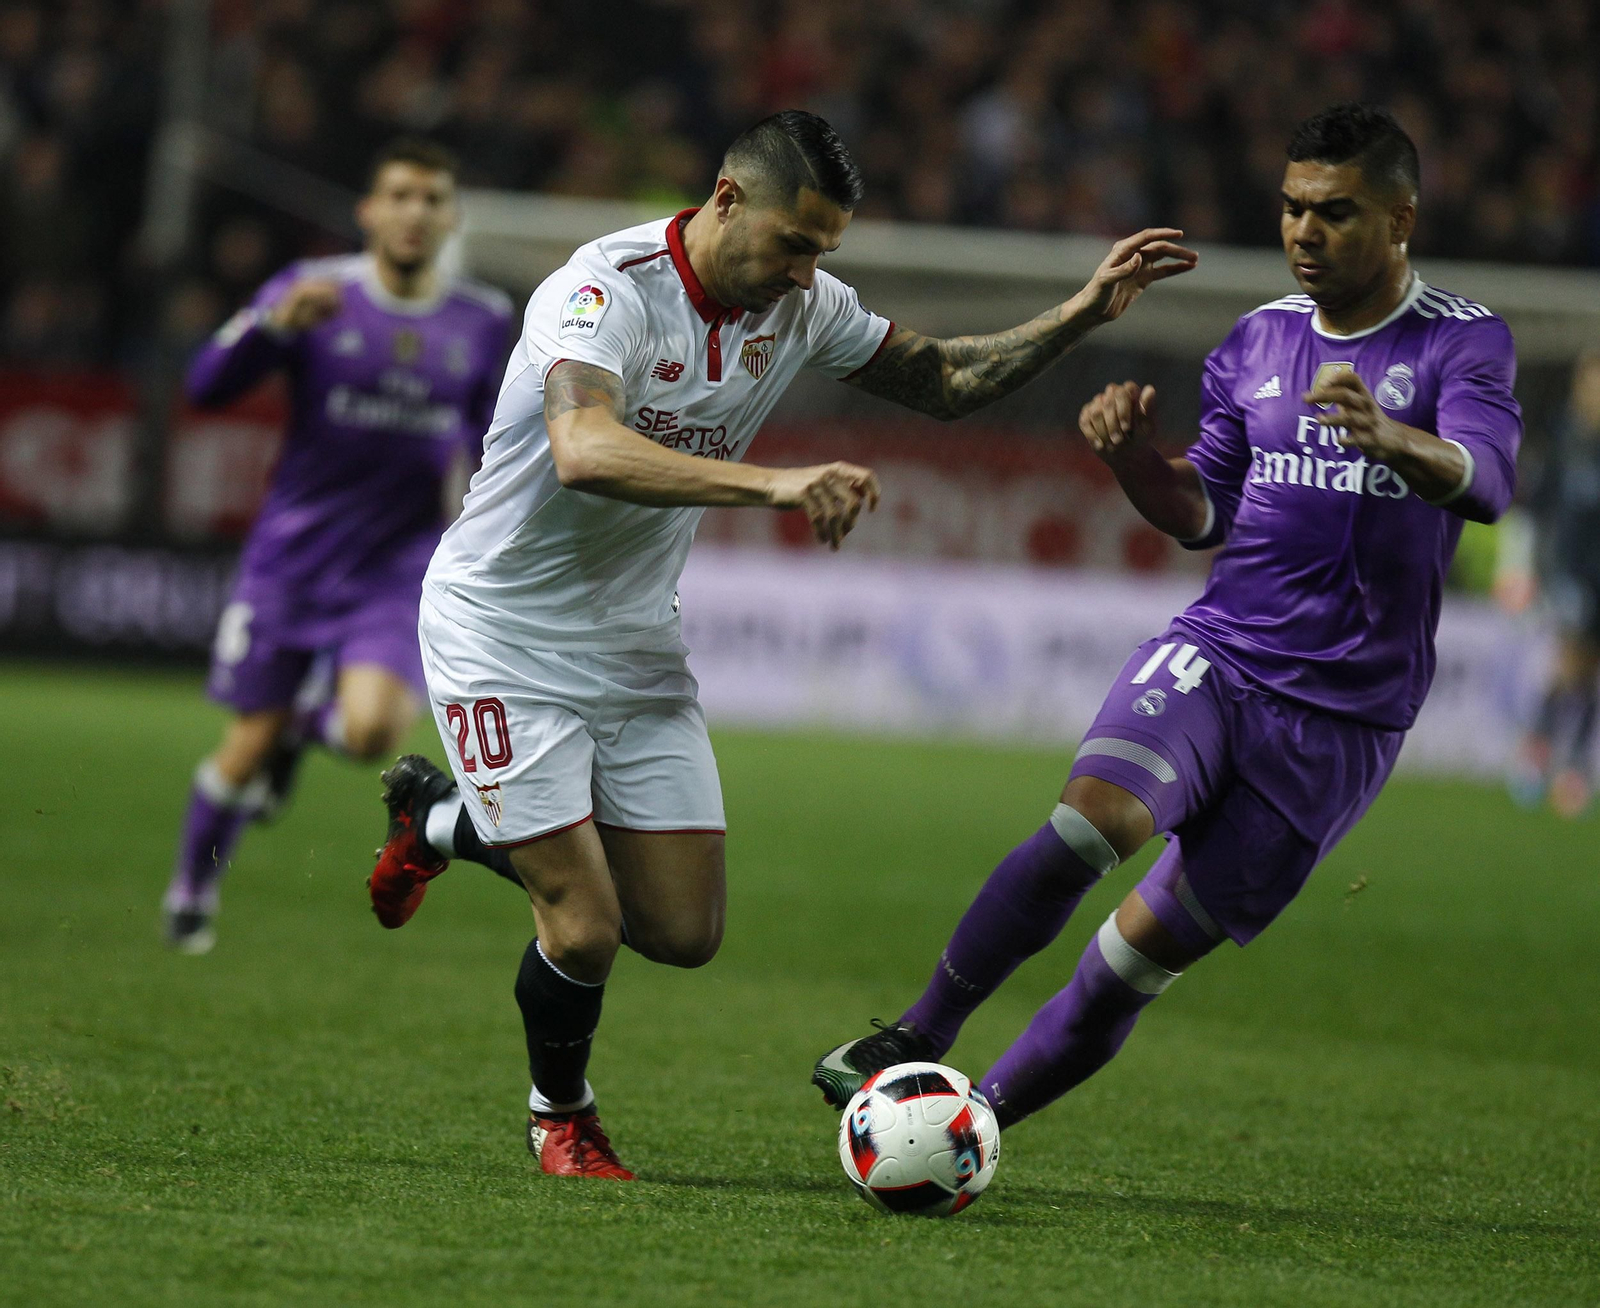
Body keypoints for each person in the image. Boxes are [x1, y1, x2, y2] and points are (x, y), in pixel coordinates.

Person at [365, 110, 1196, 1179]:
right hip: (501, 630)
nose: (806, 275)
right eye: (793, 244)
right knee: (582, 928)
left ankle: (439, 818)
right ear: (725, 201)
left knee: (681, 928)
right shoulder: (602, 289)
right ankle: (559, 1116)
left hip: (631, 642)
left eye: (824, 253)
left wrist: (1080, 313)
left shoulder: (799, 306)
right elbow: (581, 446)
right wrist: (774, 482)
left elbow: (941, 378)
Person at [813, 104, 1521, 1133]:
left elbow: (1488, 483)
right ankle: (919, 1033)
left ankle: (971, 1131)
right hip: (1221, 656)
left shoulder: (1465, 344)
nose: (1303, 234)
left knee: (1128, 964)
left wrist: (1394, 439)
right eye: (1290, 210)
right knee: (1085, 825)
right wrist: (1132, 462)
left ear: (1401, 217)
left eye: (1334, 213)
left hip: (1341, 720)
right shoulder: (1257, 341)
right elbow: (1202, 512)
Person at [162, 139, 513, 954]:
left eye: (432, 198)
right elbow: (206, 387)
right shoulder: (311, 292)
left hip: (399, 565)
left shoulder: (483, 319)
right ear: (369, 211)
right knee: (244, 748)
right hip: (293, 559)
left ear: (451, 217)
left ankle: (301, 731)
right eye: (400, 195)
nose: (415, 212)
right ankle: (191, 889)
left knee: (369, 735)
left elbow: (494, 439)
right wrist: (267, 326)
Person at [1508, 349, 1600, 818]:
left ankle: (1571, 766)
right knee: (1570, 666)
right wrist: (1524, 570)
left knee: (1588, 676)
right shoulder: (1564, 441)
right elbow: (1535, 512)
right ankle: (1539, 756)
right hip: (1566, 577)